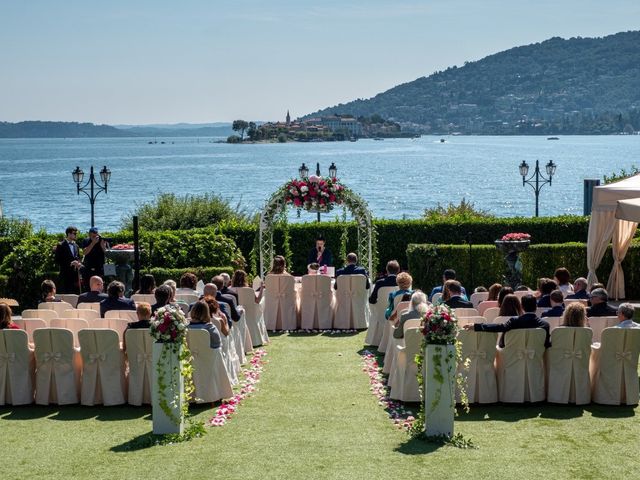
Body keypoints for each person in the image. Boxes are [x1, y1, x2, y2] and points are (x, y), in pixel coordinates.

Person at [464, 294, 551, 348]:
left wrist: (476, 326)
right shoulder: (544, 325)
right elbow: (546, 345)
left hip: (513, 357)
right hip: (535, 360)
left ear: (522, 306)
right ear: (536, 307)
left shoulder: (515, 321)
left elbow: (499, 327)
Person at [53, 226, 82, 294]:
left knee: (75, 294)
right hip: (65, 274)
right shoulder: (60, 245)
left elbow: (78, 258)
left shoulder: (76, 246)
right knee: (65, 293)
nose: (75, 235)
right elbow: (57, 260)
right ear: (69, 234)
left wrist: (78, 263)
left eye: (76, 233)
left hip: (75, 274)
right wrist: (70, 263)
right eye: (74, 233)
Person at [80, 227, 108, 292]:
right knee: (88, 286)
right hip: (88, 267)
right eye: (93, 236)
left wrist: (103, 246)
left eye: (96, 235)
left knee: (100, 286)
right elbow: (84, 252)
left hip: (100, 267)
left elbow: (107, 253)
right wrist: (93, 243)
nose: (95, 237)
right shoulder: (86, 241)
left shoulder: (102, 240)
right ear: (89, 235)